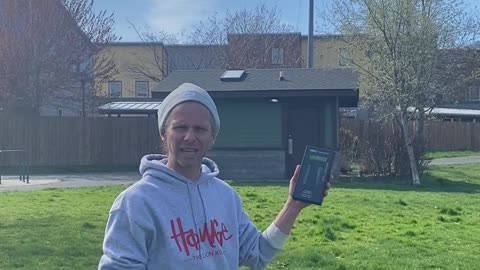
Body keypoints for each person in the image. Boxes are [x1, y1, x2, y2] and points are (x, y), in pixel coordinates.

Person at [98, 83, 330, 270]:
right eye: (180, 128)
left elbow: (258, 254)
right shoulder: (135, 203)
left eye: (200, 129)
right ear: (163, 133)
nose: (190, 137)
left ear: (212, 137)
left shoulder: (226, 197)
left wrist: (293, 206)